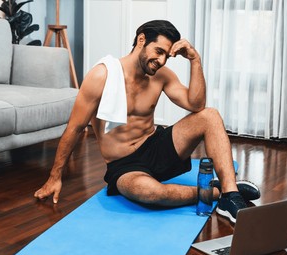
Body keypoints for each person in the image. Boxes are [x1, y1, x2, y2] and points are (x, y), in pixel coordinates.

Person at [34, 20, 260, 222]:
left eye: (166, 56)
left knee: (209, 115)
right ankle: (218, 192)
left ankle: (231, 197)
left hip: (157, 146)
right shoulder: (101, 76)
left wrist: (195, 59)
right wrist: (55, 177)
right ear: (141, 39)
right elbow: (75, 128)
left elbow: (197, 106)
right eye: (158, 51)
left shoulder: (161, 76)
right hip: (125, 165)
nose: (161, 61)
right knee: (151, 193)